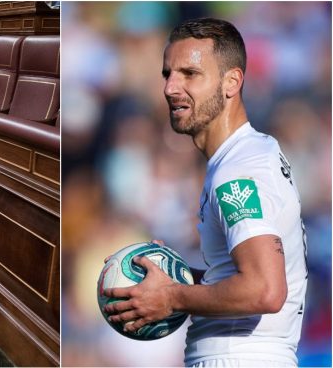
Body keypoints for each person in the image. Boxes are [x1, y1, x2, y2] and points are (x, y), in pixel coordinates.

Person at [102, 18, 308, 367]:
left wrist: (171, 297)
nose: (170, 87)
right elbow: (248, 279)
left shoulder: (237, 171)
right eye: (168, 74)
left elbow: (265, 290)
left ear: (232, 82)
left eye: (189, 74)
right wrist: (177, 278)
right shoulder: (252, 154)